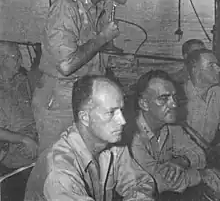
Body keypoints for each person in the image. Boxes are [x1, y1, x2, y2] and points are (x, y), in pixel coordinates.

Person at [32, 0, 123, 152]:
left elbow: (92, 55)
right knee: (56, 165)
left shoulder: (97, 9)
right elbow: (66, 65)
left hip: (84, 100)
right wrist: (103, 38)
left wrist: (115, 57)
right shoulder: (66, 7)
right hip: (59, 105)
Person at [25, 75, 155, 201]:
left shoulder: (113, 144)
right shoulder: (60, 169)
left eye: (121, 110)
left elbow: (140, 183)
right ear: (85, 118)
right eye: (111, 112)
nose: (122, 120)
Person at [129, 70, 208, 197]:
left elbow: (200, 155)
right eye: (163, 99)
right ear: (144, 104)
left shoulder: (172, 127)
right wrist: (202, 176)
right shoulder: (132, 137)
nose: (174, 104)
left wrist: (182, 162)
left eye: (174, 97)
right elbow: (158, 183)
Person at [0, 41, 38, 171]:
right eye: (16, 58)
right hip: (14, 144)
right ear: (2, 59)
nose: (20, 62)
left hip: (35, 135)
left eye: (20, 58)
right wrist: (23, 139)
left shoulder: (22, 80)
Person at [185, 49, 220, 144]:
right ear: (194, 68)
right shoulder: (179, 97)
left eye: (217, 65)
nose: (218, 69)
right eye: (211, 65)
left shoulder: (217, 93)